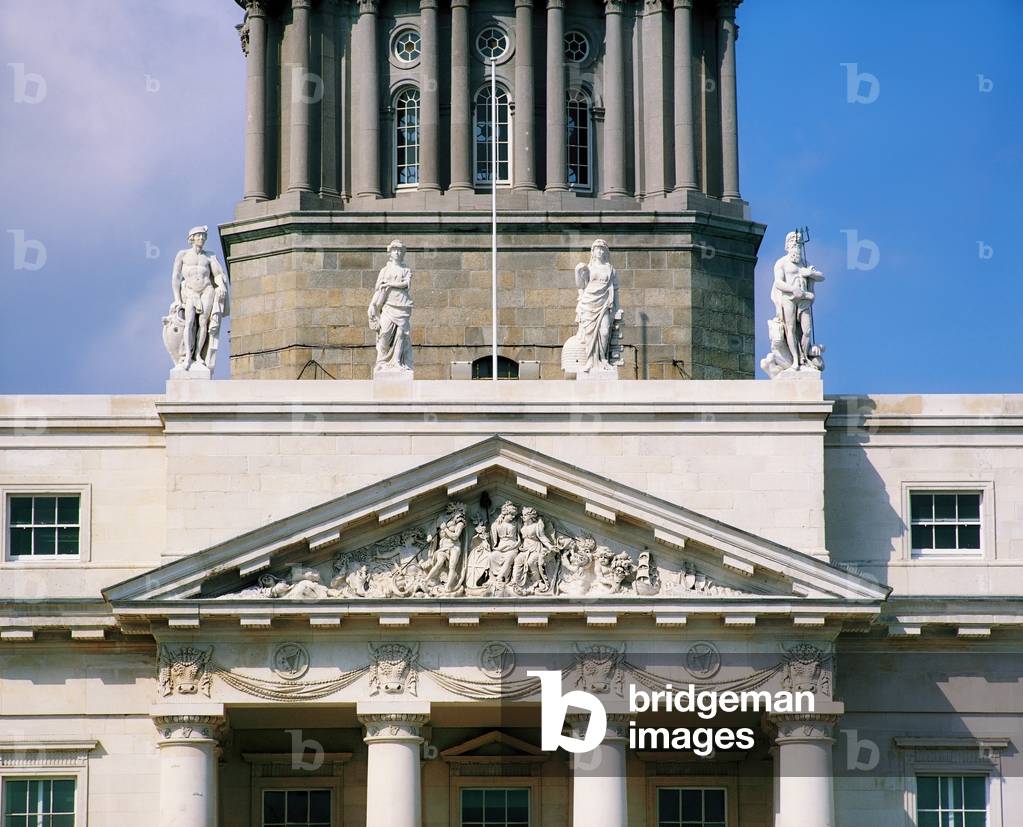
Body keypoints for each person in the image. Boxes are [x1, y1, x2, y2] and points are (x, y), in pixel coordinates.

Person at [169, 226, 229, 372]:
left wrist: (220, 286)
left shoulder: (209, 256)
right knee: (189, 322)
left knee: (203, 322)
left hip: (207, 290)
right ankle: (188, 355)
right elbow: (176, 277)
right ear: (192, 238)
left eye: (203, 236)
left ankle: (198, 355)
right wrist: (177, 299)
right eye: (199, 236)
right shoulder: (182, 255)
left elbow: (218, 274)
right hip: (190, 291)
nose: (201, 238)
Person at [770, 231, 824, 371]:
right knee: (790, 328)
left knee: (807, 330)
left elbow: (821, 277)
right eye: (793, 244)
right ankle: (795, 359)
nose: (796, 247)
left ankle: (804, 357)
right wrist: (793, 290)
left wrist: (810, 273)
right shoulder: (781, 263)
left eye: (798, 244)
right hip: (789, 298)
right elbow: (778, 283)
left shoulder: (805, 263)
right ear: (787, 246)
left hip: (804, 300)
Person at [572, 239, 621, 372]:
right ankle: (590, 361)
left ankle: (603, 360)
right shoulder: (588, 268)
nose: (599, 251)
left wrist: (617, 307)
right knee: (589, 333)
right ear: (593, 252)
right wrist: (577, 271)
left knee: (605, 332)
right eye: (597, 248)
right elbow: (580, 285)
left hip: (604, 304)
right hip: (589, 302)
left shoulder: (611, 269)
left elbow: (615, 290)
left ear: (605, 252)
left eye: (602, 249)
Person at [368, 239, 414, 372]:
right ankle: (382, 361)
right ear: (390, 252)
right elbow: (379, 290)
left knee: (401, 334)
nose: (398, 253)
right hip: (388, 306)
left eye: (400, 250)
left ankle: (397, 362)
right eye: (395, 250)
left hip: (403, 305)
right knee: (384, 333)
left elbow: (406, 284)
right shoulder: (385, 270)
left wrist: (390, 284)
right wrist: (372, 305)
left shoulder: (406, 269)